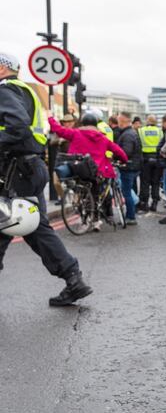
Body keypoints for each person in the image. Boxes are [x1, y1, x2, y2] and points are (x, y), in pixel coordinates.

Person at [0, 52, 92, 305]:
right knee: (28, 226)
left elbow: (17, 128)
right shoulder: (23, 90)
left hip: (15, 171)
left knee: (20, 224)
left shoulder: (5, 90)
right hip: (27, 168)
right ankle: (73, 279)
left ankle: (73, 277)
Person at [49, 111, 129, 231]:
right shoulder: (102, 137)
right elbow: (118, 150)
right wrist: (124, 160)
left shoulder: (75, 133)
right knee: (96, 194)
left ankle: (82, 213)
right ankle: (96, 221)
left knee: (80, 189)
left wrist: (50, 118)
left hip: (77, 168)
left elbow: (58, 130)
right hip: (95, 171)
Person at [116, 112, 142, 225]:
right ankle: (129, 215)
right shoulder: (130, 133)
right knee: (128, 191)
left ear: (123, 121)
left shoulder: (128, 135)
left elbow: (126, 152)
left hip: (128, 166)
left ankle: (131, 217)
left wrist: (114, 155)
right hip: (132, 166)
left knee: (126, 192)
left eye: (119, 121)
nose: (118, 123)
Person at [137, 115, 163, 212]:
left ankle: (145, 203)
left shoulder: (141, 131)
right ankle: (155, 203)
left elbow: (138, 145)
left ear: (147, 121)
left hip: (145, 159)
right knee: (156, 182)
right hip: (157, 159)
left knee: (145, 182)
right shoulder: (160, 131)